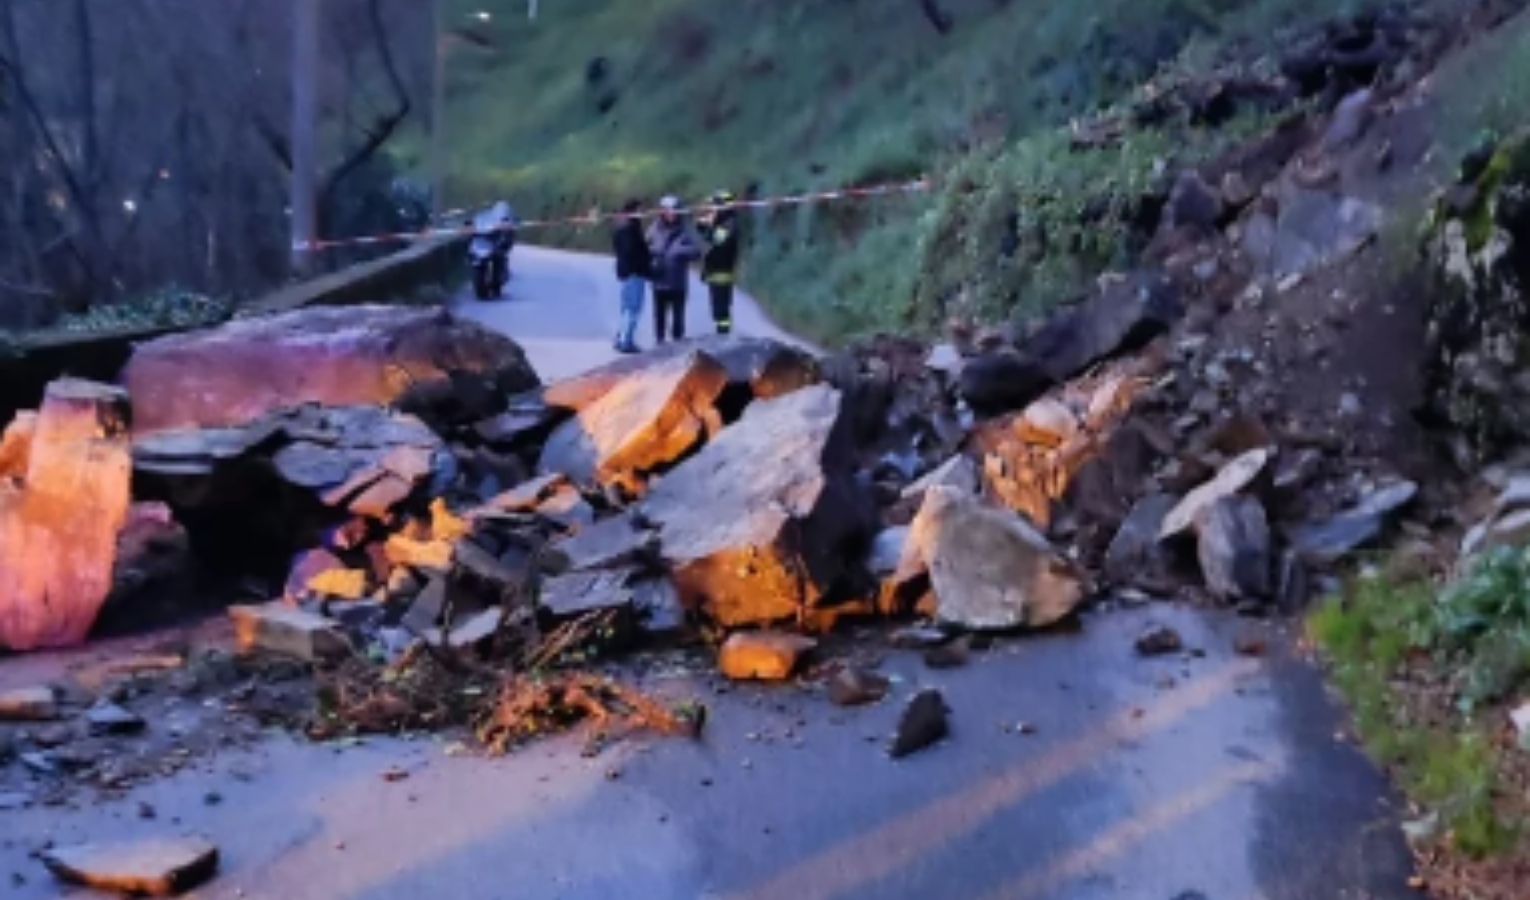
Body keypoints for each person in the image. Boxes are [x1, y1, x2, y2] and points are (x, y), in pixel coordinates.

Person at [645, 195, 701, 344]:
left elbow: (697, 251)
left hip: (677, 282)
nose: (671, 213)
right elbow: (645, 247)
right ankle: (659, 341)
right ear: (662, 212)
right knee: (659, 315)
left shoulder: (686, 230)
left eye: (674, 210)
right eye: (668, 210)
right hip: (659, 280)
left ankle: (677, 343)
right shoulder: (654, 228)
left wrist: (680, 251)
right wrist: (653, 253)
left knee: (678, 316)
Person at [611, 199, 651, 354]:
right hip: (633, 273)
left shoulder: (620, 226)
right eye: (640, 210)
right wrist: (645, 264)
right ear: (633, 211)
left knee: (626, 308)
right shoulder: (631, 228)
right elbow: (633, 252)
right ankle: (626, 341)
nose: (642, 213)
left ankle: (621, 337)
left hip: (624, 272)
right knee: (633, 308)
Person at [698, 189, 741, 335]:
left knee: (721, 309)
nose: (712, 209)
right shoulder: (722, 221)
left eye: (715, 206)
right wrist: (702, 224)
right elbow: (706, 237)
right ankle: (721, 333)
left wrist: (709, 225)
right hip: (714, 270)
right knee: (717, 309)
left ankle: (723, 335)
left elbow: (718, 240)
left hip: (723, 271)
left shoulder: (730, 223)